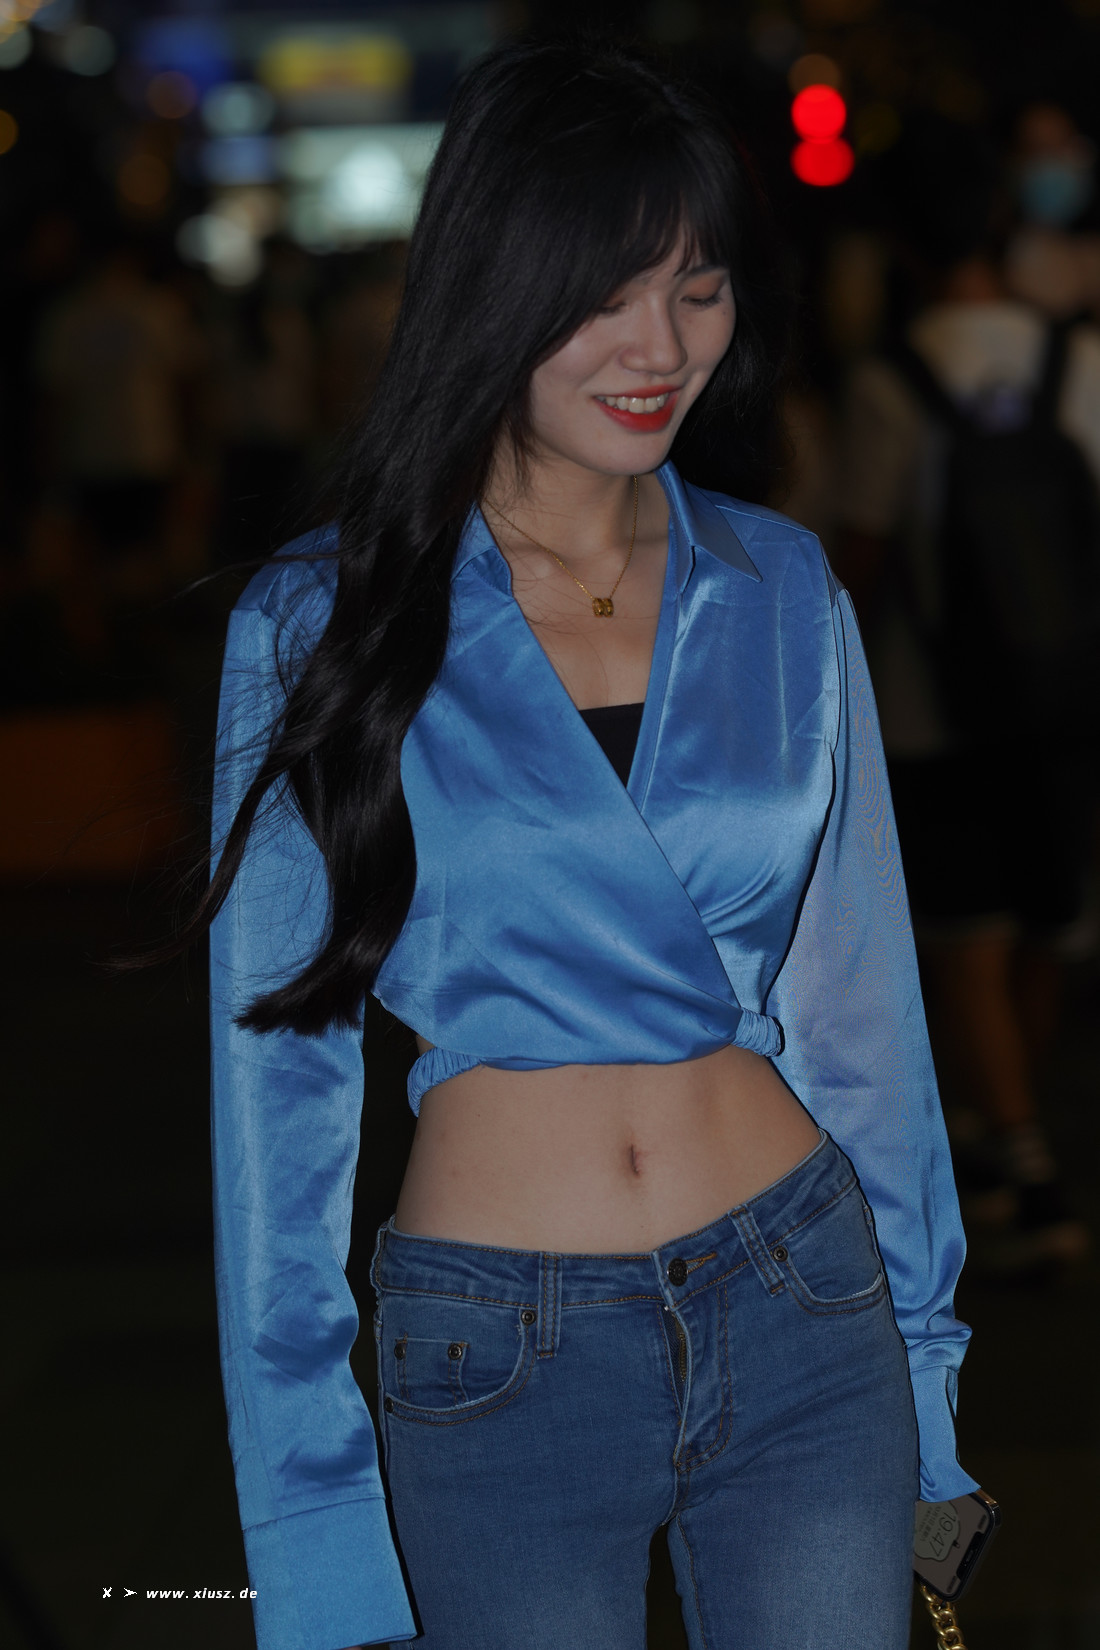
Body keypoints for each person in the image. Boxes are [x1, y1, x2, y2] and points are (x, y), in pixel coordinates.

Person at [203, 39, 977, 1650]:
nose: (662, 347)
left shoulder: (781, 585)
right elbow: (277, 1102)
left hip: (804, 1300)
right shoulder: (321, 622)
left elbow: (864, 1017)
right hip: (499, 1347)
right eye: (605, 295)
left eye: (699, 288)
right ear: (491, 289)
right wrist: (312, 1507)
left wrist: (926, 1375)